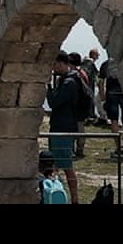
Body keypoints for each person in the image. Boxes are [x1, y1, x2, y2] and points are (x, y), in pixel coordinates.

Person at [45, 52, 81, 203]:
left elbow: (54, 102)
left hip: (63, 127)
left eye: (54, 64)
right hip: (60, 125)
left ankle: (74, 198)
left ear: (61, 63)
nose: (53, 68)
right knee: (56, 163)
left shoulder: (69, 83)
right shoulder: (67, 80)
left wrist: (48, 87)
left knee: (66, 165)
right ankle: (57, 194)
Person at [99, 56, 123, 159]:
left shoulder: (106, 64)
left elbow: (100, 81)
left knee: (114, 120)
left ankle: (119, 148)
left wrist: (102, 99)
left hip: (111, 93)